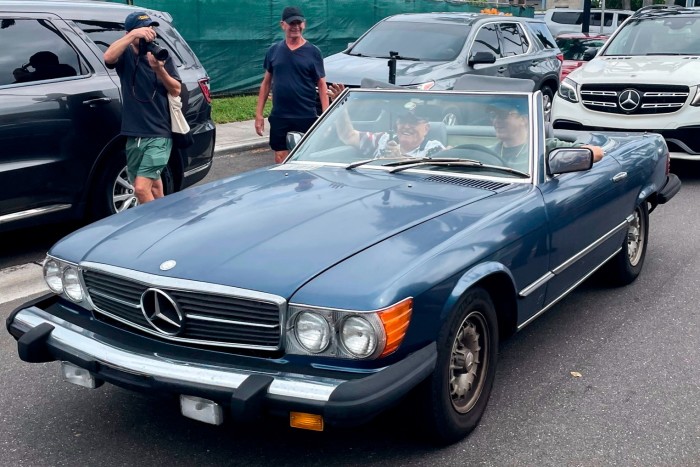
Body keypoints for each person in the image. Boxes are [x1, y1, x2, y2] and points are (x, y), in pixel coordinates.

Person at [103, 11, 181, 204]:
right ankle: (165, 218)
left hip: (159, 133)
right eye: (144, 29)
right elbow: (108, 58)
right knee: (154, 184)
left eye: (151, 28)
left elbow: (177, 89)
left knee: (140, 188)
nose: (149, 32)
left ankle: (152, 228)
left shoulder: (160, 54)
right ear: (131, 32)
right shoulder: (125, 54)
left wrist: (159, 69)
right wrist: (131, 37)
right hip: (134, 132)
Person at [255, 6, 329, 164]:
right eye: (291, 23)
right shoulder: (274, 51)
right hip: (280, 115)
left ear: (304, 24)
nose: (295, 26)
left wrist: (326, 115)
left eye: (298, 23)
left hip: (306, 115)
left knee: (304, 159)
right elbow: (266, 83)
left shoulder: (313, 52)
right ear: (283, 25)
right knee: (280, 157)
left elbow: (322, 85)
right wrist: (259, 115)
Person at [488, 99, 604, 173]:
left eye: (503, 115)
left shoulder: (546, 147)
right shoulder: (488, 152)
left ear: (523, 119)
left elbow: (597, 152)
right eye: (493, 115)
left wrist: (562, 160)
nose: (496, 121)